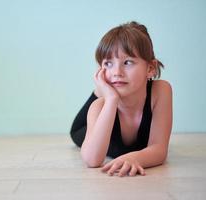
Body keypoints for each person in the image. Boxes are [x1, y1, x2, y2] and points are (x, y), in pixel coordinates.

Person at [70, 21, 172, 177]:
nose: (117, 71)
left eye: (128, 62)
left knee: (117, 81)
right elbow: (92, 160)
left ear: (150, 68)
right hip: (83, 126)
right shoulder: (98, 106)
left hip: (129, 95)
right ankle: (101, 89)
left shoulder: (161, 91)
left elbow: (159, 149)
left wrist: (134, 158)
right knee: (98, 108)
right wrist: (110, 98)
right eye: (108, 63)